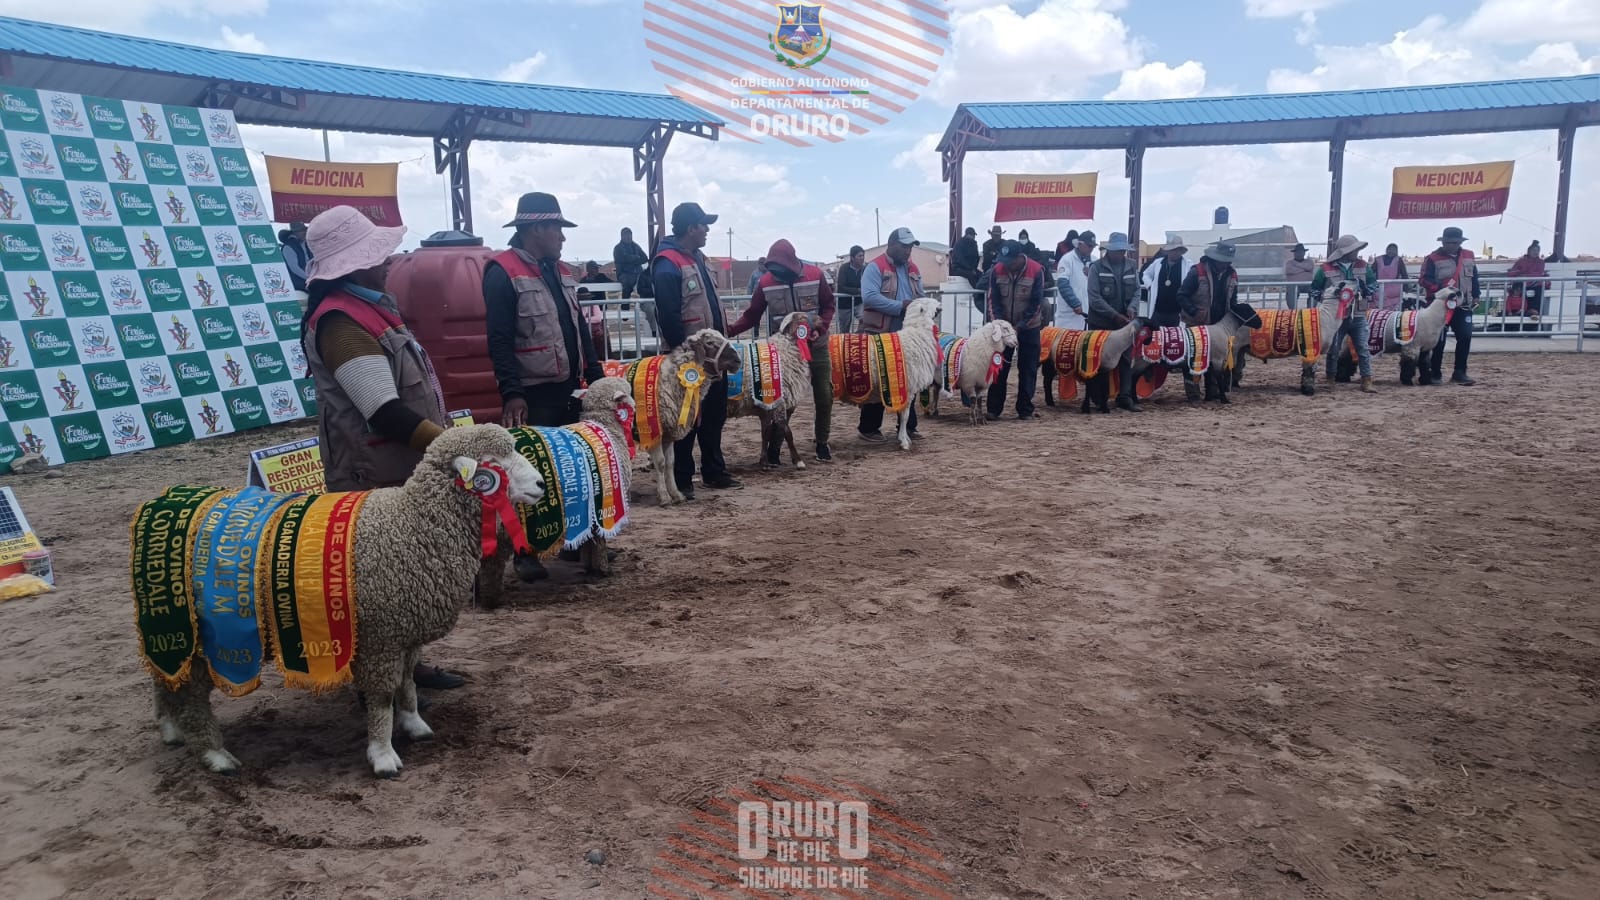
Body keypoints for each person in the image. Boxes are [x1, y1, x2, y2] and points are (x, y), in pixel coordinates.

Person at [300, 205, 463, 695]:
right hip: (373, 473)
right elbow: (383, 411)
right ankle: (380, 683)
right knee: (377, 585)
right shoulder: (342, 325)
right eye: (377, 252)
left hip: (398, 467)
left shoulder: (369, 310)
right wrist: (452, 446)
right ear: (354, 265)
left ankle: (407, 667)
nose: (388, 258)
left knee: (406, 577)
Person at [484, 193, 606, 580]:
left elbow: (579, 327)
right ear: (536, 229)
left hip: (569, 388)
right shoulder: (501, 271)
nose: (563, 238)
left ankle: (572, 542)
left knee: (570, 470)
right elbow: (499, 339)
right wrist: (512, 392)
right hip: (533, 393)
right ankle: (525, 552)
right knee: (530, 475)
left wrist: (596, 373)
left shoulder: (562, 271)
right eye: (557, 229)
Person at [654, 202, 740, 494]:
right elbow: (667, 314)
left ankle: (714, 470)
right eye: (703, 225)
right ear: (690, 228)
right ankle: (681, 477)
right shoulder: (667, 262)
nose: (707, 231)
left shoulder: (699, 259)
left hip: (711, 358)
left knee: (714, 415)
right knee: (686, 416)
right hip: (689, 359)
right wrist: (686, 355)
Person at [727, 239, 837, 462]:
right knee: (782, 401)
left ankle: (822, 442)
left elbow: (828, 305)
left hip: (816, 345)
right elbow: (752, 314)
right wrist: (728, 330)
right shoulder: (766, 281)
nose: (778, 274)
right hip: (783, 353)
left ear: (793, 262)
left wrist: (821, 327)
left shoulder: (815, 275)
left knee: (824, 395)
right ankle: (774, 449)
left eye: (781, 270)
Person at [858, 227, 924, 443]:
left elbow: (921, 295)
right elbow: (869, 297)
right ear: (892, 244)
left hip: (906, 334)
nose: (908, 251)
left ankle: (908, 427)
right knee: (877, 378)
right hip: (880, 332)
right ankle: (869, 427)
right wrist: (900, 306)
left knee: (909, 379)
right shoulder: (875, 267)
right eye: (904, 246)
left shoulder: (913, 267)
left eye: (910, 247)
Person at [1310, 234, 1379, 394]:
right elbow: (1314, 290)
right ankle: (1330, 379)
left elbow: (1373, 284)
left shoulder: (1363, 265)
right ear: (1345, 252)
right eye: (1354, 249)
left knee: (1363, 347)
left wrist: (1366, 290)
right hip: (1335, 317)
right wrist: (1329, 298)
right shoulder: (1325, 269)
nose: (1357, 252)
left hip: (1359, 313)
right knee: (1333, 349)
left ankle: (1366, 380)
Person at [985, 241, 1045, 421]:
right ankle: (993, 409)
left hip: (1029, 328)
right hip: (1003, 329)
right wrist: (999, 324)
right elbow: (992, 299)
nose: (1007, 265)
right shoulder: (997, 270)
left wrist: (1020, 326)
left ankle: (1025, 409)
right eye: (1005, 261)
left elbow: (1036, 303)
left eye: (1011, 261)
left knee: (1028, 369)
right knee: (999, 368)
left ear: (1020, 257)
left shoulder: (1036, 270)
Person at [1086, 233, 1143, 413]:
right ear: (1110, 250)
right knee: (1097, 360)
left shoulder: (1132, 266)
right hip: (1101, 322)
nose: (1121, 253)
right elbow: (1094, 298)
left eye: (1123, 250)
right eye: (1118, 250)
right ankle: (1097, 397)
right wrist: (1113, 315)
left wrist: (1132, 308)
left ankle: (1124, 397)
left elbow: (1137, 291)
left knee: (1125, 359)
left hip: (1124, 323)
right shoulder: (1096, 267)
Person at [1178, 242, 1240, 401]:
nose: (1227, 263)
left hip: (1220, 324)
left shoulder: (1232, 274)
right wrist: (1193, 311)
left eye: (1228, 261)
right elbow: (1181, 295)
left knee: (1217, 359)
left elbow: (1233, 300)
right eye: (1224, 260)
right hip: (1197, 324)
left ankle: (1212, 391)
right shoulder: (1196, 272)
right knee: (1193, 357)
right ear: (1214, 259)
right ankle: (1193, 392)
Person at [1418, 226, 1480, 386]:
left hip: (1463, 305)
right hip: (1440, 307)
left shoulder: (1469, 256)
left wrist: (1476, 295)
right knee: (1438, 341)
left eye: (1455, 242)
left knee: (1465, 337)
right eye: (1449, 242)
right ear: (1443, 242)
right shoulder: (1432, 258)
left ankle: (1460, 372)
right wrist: (1441, 290)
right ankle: (1434, 373)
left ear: (1460, 242)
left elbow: (1474, 278)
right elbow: (1424, 280)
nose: (1452, 245)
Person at [1141, 237, 1192, 326]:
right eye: (1173, 250)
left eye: (1178, 250)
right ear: (1168, 251)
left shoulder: (1188, 265)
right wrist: (1149, 285)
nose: (1175, 252)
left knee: (1175, 338)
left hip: (1177, 313)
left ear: (1181, 251)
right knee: (1156, 337)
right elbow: (1145, 274)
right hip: (1158, 311)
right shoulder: (1158, 263)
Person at [1053, 230, 1095, 331]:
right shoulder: (1067, 259)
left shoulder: (1095, 260)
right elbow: (1063, 284)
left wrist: (1091, 275)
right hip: (1069, 316)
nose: (1091, 249)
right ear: (1079, 244)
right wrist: (1074, 303)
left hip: (1088, 315)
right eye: (1089, 246)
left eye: (1093, 246)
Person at [577, 261, 614, 359]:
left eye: (597, 268)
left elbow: (610, 283)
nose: (597, 270)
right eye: (594, 268)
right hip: (589, 305)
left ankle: (603, 357)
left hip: (599, 306)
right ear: (588, 269)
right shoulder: (583, 280)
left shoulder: (601, 277)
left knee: (602, 332)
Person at [1505, 240, 1549, 322]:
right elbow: (1512, 273)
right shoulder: (1521, 261)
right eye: (1533, 250)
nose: (1535, 252)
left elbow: (1539, 274)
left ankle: (1533, 311)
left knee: (1539, 289)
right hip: (1522, 284)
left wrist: (1525, 274)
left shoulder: (1540, 262)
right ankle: (1520, 310)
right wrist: (1521, 273)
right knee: (1519, 291)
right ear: (1529, 251)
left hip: (1535, 284)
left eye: (1537, 251)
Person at [835, 245, 866, 335]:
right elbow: (841, 286)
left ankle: (856, 337)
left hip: (859, 302)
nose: (862, 258)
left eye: (863, 255)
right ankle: (844, 344)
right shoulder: (844, 268)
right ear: (852, 258)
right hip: (844, 304)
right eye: (859, 256)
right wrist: (858, 291)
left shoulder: (865, 269)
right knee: (844, 329)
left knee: (865, 320)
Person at [1374, 243, 1408, 312]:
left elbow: (1370, 274)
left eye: (1393, 249)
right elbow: (1405, 275)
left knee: (1381, 312)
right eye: (1390, 249)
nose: (1391, 251)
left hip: (1382, 292)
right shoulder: (1378, 260)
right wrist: (1406, 289)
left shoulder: (1378, 259)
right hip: (1389, 292)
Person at [279, 221, 312, 291]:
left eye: (305, 230)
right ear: (295, 233)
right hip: (297, 283)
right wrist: (309, 278)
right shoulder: (288, 246)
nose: (305, 233)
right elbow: (294, 268)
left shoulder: (306, 244)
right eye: (302, 231)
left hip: (309, 279)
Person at [1283, 242, 1316, 309]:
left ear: (1304, 253)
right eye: (1298, 252)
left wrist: (1297, 266)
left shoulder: (1309, 261)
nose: (1299, 253)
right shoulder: (1289, 262)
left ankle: (1310, 310)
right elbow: (1289, 270)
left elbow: (1310, 267)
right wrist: (1304, 269)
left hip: (1308, 284)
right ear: (1294, 253)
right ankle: (1293, 311)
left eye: (1301, 252)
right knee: (1291, 292)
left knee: (1316, 290)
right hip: (1293, 285)